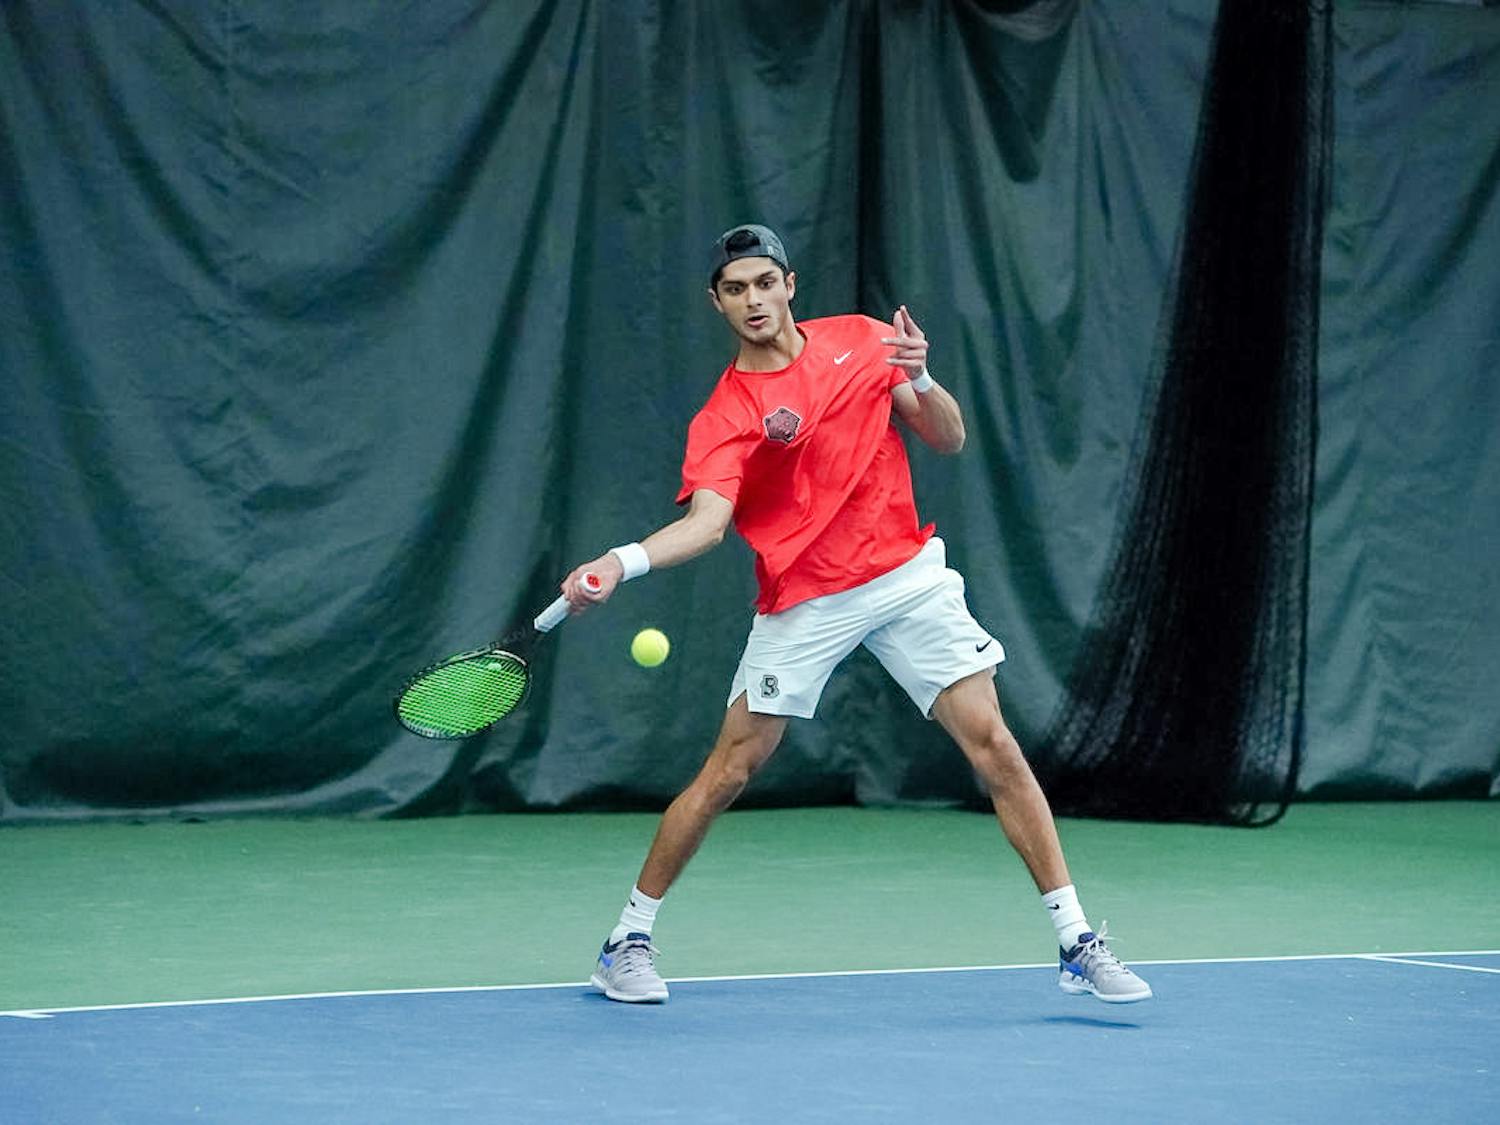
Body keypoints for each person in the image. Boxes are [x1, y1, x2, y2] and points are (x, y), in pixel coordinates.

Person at [558, 224, 1151, 1006]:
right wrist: (620, 560)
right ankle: (626, 939)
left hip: (906, 574)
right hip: (806, 597)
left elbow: (947, 436)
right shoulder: (726, 414)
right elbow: (706, 524)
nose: (752, 300)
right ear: (717, 302)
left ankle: (1076, 941)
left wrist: (923, 376)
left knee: (995, 744)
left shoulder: (867, 342)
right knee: (729, 770)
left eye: (763, 282)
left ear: (789, 285)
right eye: (735, 289)